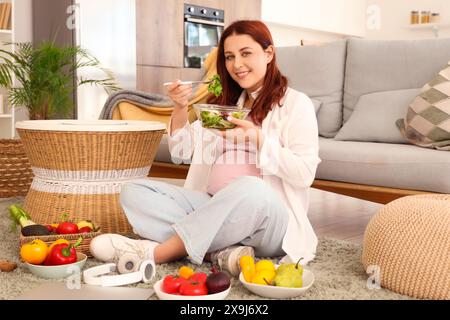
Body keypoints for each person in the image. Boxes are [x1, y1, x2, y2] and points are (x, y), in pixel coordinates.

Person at [90, 20, 321, 277]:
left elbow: (304, 173)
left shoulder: (297, 104)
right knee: (133, 191)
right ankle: (221, 252)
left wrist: (257, 138)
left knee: (250, 187)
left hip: (269, 219)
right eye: (230, 57)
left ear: (268, 53)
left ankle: (159, 253)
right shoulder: (225, 106)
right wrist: (180, 107)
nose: (237, 65)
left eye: (246, 53)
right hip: (210, 204)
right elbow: (181, 151)